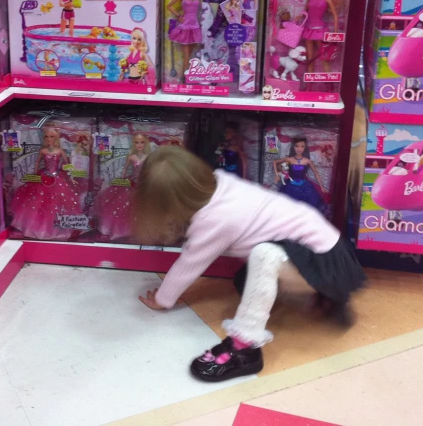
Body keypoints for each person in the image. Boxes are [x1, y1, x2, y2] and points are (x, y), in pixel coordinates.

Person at [136, 146, 366, 382]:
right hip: (328, 252)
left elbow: (191, 262)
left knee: (264, 254)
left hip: (321, 266)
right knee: (258, 264)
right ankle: (318, 297)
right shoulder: (221, 181)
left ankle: (244, 346)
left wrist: (163, 299)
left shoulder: (213, 219)